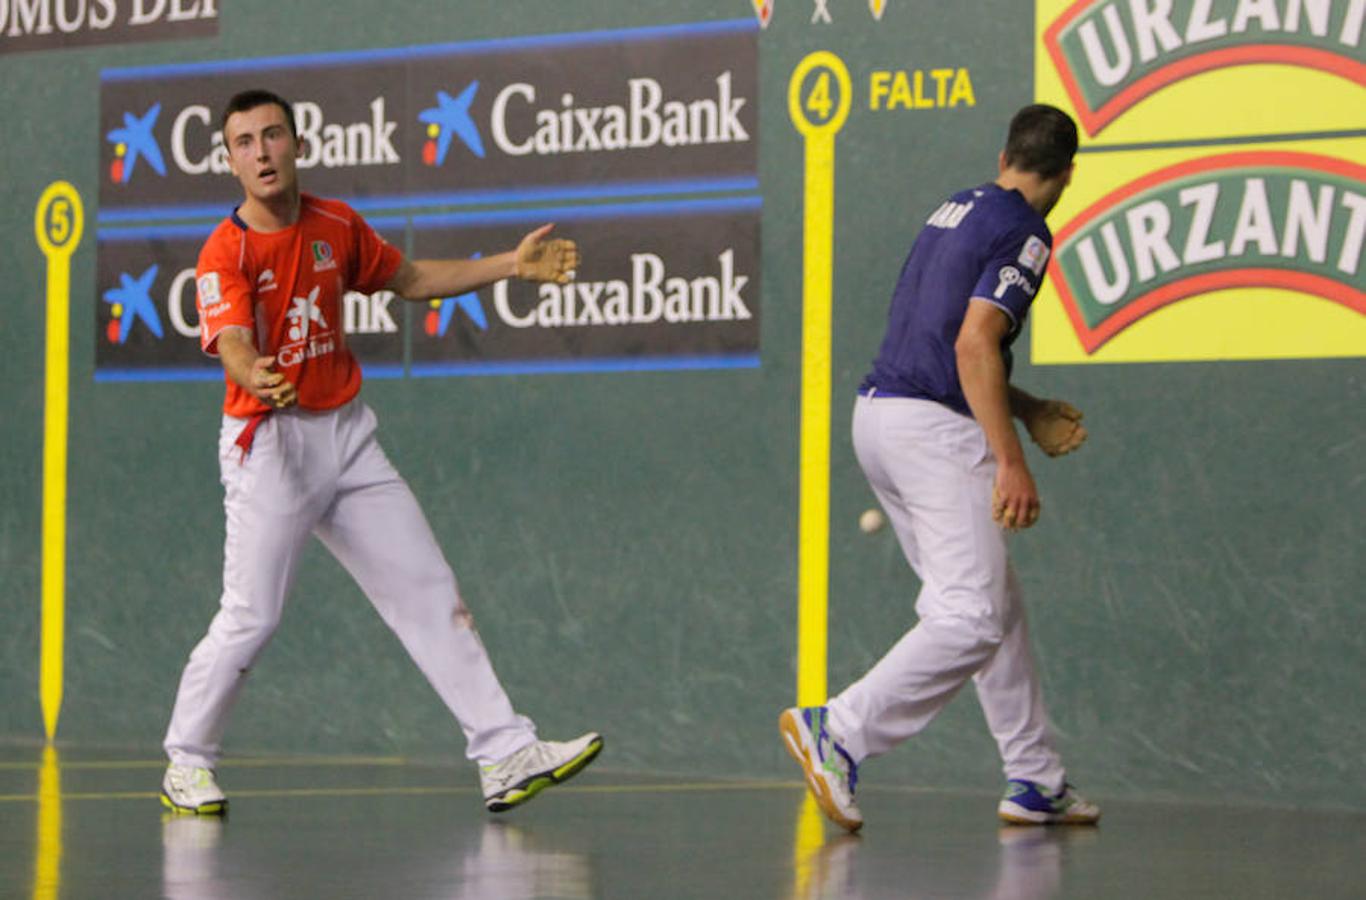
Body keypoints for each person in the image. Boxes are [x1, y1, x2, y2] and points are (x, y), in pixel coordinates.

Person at [160, 89, 601, 816]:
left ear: (296, 144)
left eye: (273, 136)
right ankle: (187, 760)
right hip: (270, 447)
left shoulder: (337, 223)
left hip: (349, 438)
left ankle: (504, 751)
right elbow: (233, 341)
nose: (262, 152)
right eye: (245, 143)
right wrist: (254, 373)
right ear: (232, 161)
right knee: (252, 615)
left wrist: (511, 268)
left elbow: (414, 281)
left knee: (431, 592)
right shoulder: (226, 250)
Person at [780, 104, 1099, 832]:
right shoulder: (1026, 232)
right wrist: (1011, 462)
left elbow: (947, 339)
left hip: (880, 418)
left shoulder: (956, 209)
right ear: (1068, 174)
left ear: (1003, 155)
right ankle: (841, 730)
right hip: (934, 433)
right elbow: (973, 347)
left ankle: (1036, 777)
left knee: (994, 606)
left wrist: (1026, 408)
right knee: (972, 612)